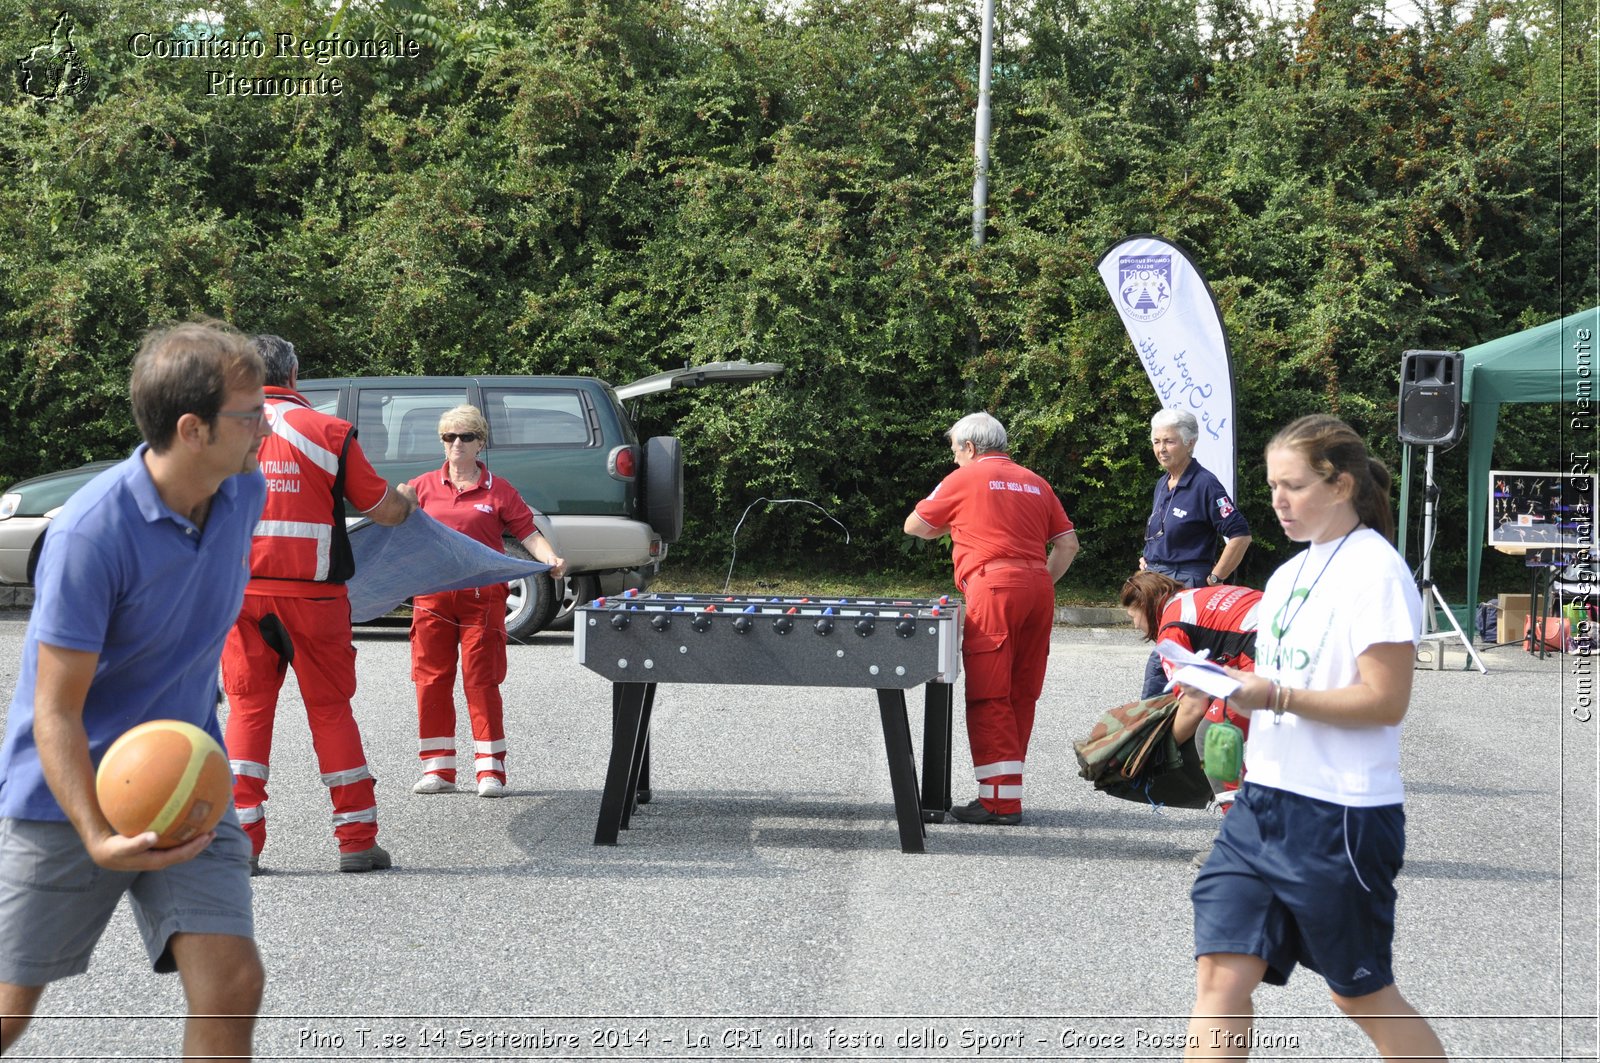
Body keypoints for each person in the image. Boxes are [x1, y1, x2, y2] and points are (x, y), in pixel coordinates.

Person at [0, 322, 269, 1057]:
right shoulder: (92, 534)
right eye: (250, 415)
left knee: (232, 983)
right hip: (68, 797)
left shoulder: (243, 490)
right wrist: (96, 832)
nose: (266, 429)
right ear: (193, 428)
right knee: (8, 1011)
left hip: (186, 776)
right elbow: (54, 708)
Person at [1183, 415, 1447, 1061]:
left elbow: (1386, 701)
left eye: (1293, 485)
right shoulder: (1287, 574)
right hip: (1262, 803)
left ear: (1341, 485)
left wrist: (1273, 695)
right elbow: (1281, 675)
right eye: (1273, 485)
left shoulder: (1377, 572)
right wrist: (1213, 683)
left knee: (1359, 994)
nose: (1277, 500)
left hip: (1341, 815)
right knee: (1219, 972)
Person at [220, 334, 415, 874]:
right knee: (330, 711)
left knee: (248, 710)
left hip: (241, 595)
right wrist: (410, 501)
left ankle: (240, 846)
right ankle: (356, 841)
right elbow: (384, 510)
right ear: (295, 374)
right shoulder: (329, 431)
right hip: (315, 596)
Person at [903, 412, 1079, 825]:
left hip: (993, 587)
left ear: (969, 447)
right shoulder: (1035, 481)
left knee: (989, 692)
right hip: (1039, 587)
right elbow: (1067, 545)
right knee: (1022, 691)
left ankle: (999, 803)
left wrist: (955, 525)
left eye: (955, 453)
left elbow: (916, 525)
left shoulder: (963, 479)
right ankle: (1006, 794)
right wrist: (1039, 580)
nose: (954, 461)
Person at [407, 405, 565, 797]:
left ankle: (489, 771)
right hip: (432, 597)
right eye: (449, 437)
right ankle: (438, 770)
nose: (456, 444)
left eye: (465, 437)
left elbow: (527, 533)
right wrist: (393, 503)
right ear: (441, 442)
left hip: (482, 600)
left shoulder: (499, 489)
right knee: (430, 681)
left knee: (482, 681)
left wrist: (550, 559)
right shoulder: (422, 486)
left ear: (481, 442)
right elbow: (393, 530)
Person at [1140, 408, 1253, 699]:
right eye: (1156, 441)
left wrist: (1215, 578)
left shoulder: (1205, 484)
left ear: (1190, 443)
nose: (1161, 449)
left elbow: (1240, 535)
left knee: (1163, 665)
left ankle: (1150, 728)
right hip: (1158, 584)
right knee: (1172, 665)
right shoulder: (1162, 484)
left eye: (1169, 441)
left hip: (1186, 585)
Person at [1120, 569, 1259, 782]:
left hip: (1267, 648)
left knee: (1213, 736)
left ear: (1143, 606)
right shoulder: (1195, 597)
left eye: (1132, 616)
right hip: (1299, 635)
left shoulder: (1172, 629)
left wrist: (1157, 752)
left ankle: (1239, 813)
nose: (1136, 625)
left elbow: (1194, 707)